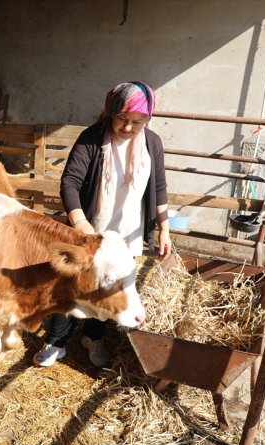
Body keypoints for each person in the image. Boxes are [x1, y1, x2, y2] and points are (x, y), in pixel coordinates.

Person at [34, 81, 172, 368]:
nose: (128, 127)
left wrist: (164, 228)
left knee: (111, 288)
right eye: (122, 118)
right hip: (91, 233)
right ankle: (56, 342)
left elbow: (159, 186)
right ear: (110, 112)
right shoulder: (92, 138)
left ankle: (93, 338)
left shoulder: (152, 143)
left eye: (138, 121)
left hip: (126, 233)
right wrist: (80, 222)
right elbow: (70, 181)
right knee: (73, 284)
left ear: (147, 119)